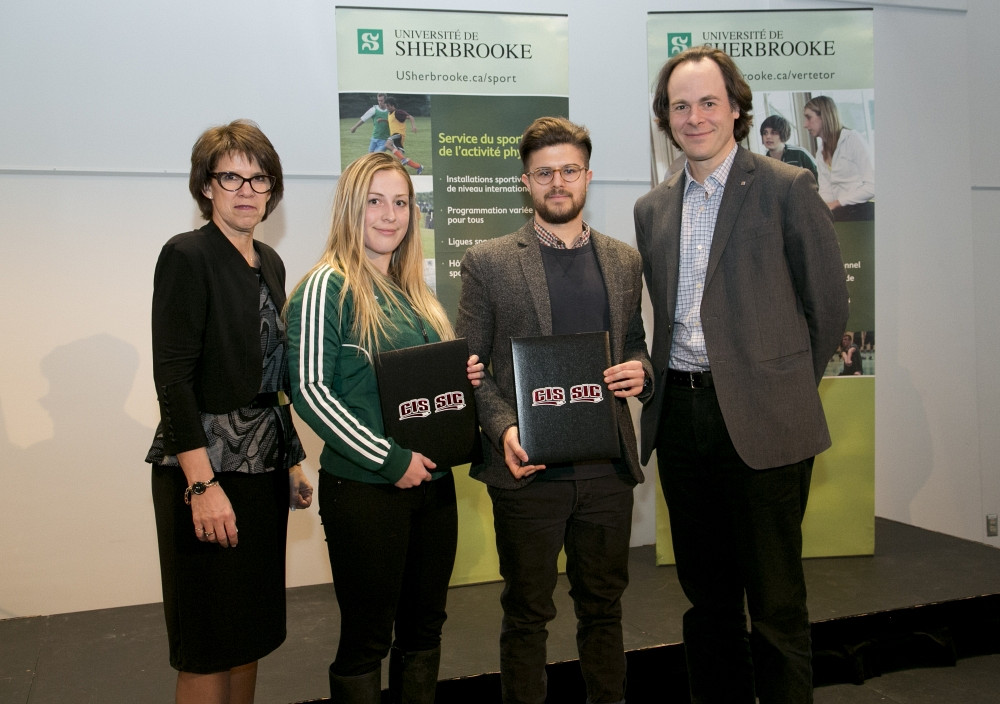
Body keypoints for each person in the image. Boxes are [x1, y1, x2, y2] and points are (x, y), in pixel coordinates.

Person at [634, 46, 849, 703]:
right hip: (683, 422)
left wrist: (777, 388)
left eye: (707, 102)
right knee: (708, 604)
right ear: (665, 119)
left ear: (736, 110)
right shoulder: (653, 209)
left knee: (777, 605)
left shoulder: (785, 187)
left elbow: (828, 309)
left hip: (765, 422)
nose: (694, 116)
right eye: (680, 106)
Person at [456, 116, 652, 704]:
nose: (557, 182)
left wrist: (640, 371)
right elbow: (470, 370)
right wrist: (503, 427)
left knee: (604, 612)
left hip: (607, 473)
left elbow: (636, 345)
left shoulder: (623, 261)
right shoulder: (488, 260)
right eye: (545, 173)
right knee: (526, 615)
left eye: (569, 170)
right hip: (529, 472)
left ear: (588, 176)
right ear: (526, 181)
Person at [285, 151, 484, 704]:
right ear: (352, 207)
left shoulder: (417, 295)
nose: (389, 215)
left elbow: (427, 391)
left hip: (434, 486)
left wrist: (460, 376)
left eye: (400, 203)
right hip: (368, 491)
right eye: (375, 201)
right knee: (368, 639)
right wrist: (389, 460)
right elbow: (310, 390)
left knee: (425, 628)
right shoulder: (326, 287)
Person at [146, 119, 313, 704]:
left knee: (249, 632)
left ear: (272, 189)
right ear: (206, 187)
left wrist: (291, 460)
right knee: (208, 638)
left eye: (258, 178)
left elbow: (271, 377)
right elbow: (174, 380)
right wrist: (200, 485)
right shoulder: (186, 255)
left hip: (263, 467)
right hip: (206, 468)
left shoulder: (269, 260)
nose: (247, 190)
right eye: (231, 177)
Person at [803, 95, 875, 221]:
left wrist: (837, 202)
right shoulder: (820, 152)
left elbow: (872, 186)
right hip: (841, 214)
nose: (805, 124)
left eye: (809, 118)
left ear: (824, 116)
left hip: (863, 213)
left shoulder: (852, 139)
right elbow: (826, 192)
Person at [759, 114, 818, 181]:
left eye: (773, 132)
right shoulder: (762, 164)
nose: (768, 136)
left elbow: (819, 176)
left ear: (783, 134)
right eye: (765, 133)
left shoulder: (800, 154)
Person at [384, 97, 424, 174]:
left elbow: (411, 117)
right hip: (396, 137)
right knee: (398, 160)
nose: (387, 107)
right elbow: (393, 123)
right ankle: (419, 167)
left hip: (398, 135)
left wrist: (413, 126)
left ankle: (403, 160)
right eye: (386, 106)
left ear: (393, 105)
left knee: (387, 144)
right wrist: (383, 120)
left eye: (388, 106)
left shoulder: (398, 112)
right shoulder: (389, 114)